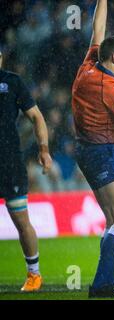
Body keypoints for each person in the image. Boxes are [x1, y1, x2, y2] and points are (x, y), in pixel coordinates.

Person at [71, 0, 114, 298]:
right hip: (101, 152)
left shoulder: (89, 64)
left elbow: (96, 31)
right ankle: (101, 284)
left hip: (86, 150)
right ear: (113, 58)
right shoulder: (110, 87)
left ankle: (106, 281)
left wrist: (103, 1)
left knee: (113, 221)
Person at [0, 48, 52, 291]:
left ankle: (34, 274)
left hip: (9, 162)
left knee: (22, 221)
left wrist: (43, 149)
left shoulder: (12, 82)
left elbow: (36, 117)